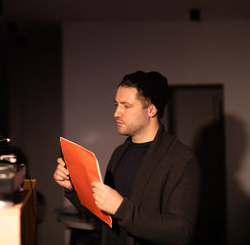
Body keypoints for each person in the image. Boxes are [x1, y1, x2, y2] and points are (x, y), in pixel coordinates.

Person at [53, 71, 200, 245]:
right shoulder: (120, 153)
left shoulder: (181, 159)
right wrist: (73, 188)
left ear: (152, 110)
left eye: (126, 106)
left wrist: (121, 208)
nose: (116, 113)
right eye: (116, 104)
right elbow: (103, 215)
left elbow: (182, 231)